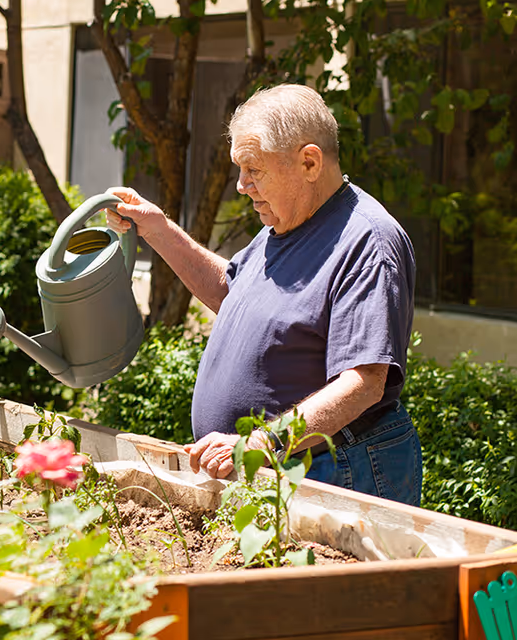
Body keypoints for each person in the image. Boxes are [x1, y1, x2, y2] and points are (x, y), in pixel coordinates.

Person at [107, 84, 421, 506]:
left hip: (336, 469)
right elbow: (231, 293)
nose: (240, 185)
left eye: (253, 169)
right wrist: (157, 229)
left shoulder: (366, 241)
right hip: (281, 467)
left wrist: (260, 443)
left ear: (309, 161)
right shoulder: (284, 224)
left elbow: (364, 384)